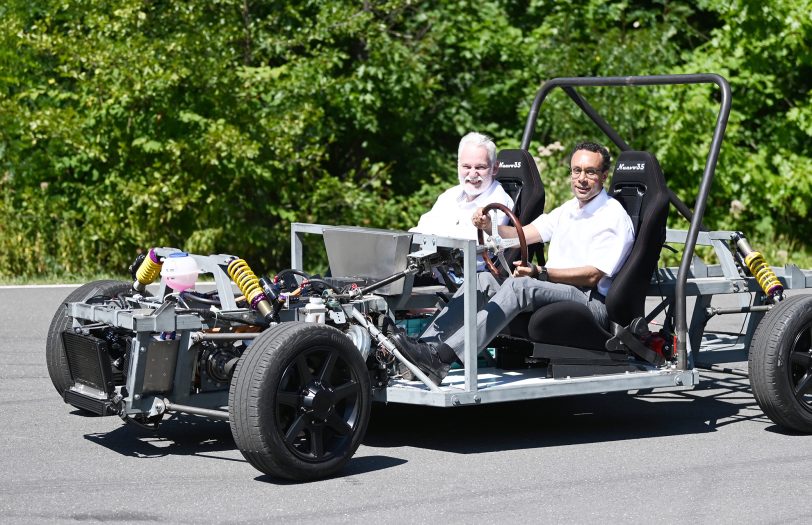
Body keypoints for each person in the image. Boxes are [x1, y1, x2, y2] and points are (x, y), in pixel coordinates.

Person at [392, 141, 635, 385]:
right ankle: (421, 352)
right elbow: (524, 234)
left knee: (521, 286)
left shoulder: (612, 215)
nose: (582, 178)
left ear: (604, 176)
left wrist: (541, 273)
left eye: (590, 172)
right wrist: (489, 227)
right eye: (576, 171)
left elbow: (593, 275)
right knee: (483, 279)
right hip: (557, 290)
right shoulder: (568, 210)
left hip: (590, 301)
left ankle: (440, 360)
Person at [410, 132, 514, 241]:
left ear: (495, 168)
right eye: (466, 166)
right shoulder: (449, 196)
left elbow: (477, 245)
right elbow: (421, 230)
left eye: (480, 167)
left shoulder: (498, 203)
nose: (473, 174)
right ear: (458, 165)